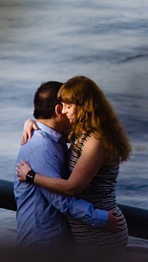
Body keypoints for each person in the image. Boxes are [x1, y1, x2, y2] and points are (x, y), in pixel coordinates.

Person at [16, 76, 131, 250]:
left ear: (84, 107)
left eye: (69, 106)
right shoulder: (75, 135)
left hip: (100, 231)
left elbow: (71, 188)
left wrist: (31, 176)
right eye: (63, 106)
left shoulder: (94, 140)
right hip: (83, 231)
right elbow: (49, 130)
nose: (65, 111)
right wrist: (31, 122)